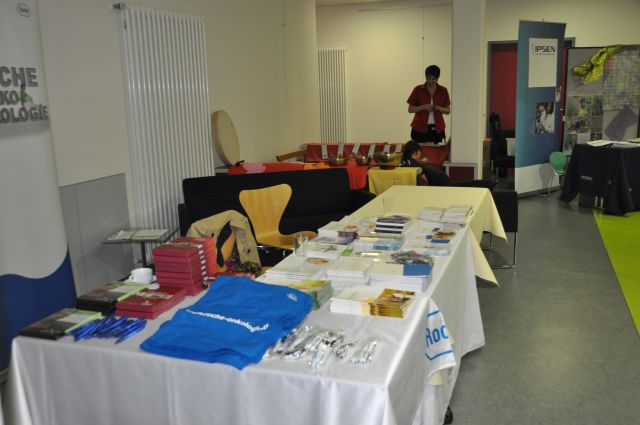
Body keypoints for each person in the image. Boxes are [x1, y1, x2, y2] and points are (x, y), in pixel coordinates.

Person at [407, 65, 451, 144]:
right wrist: (424, 107)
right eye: (428, 79)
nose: (430, 81)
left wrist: (439, 108)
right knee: (419, 150)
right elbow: (410, 109)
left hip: (437, 129)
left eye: (433, 79)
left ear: (437, 78)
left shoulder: (443, 90)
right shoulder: (417, 89)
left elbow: (448, 111)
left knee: (436, 151)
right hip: (419, 128)